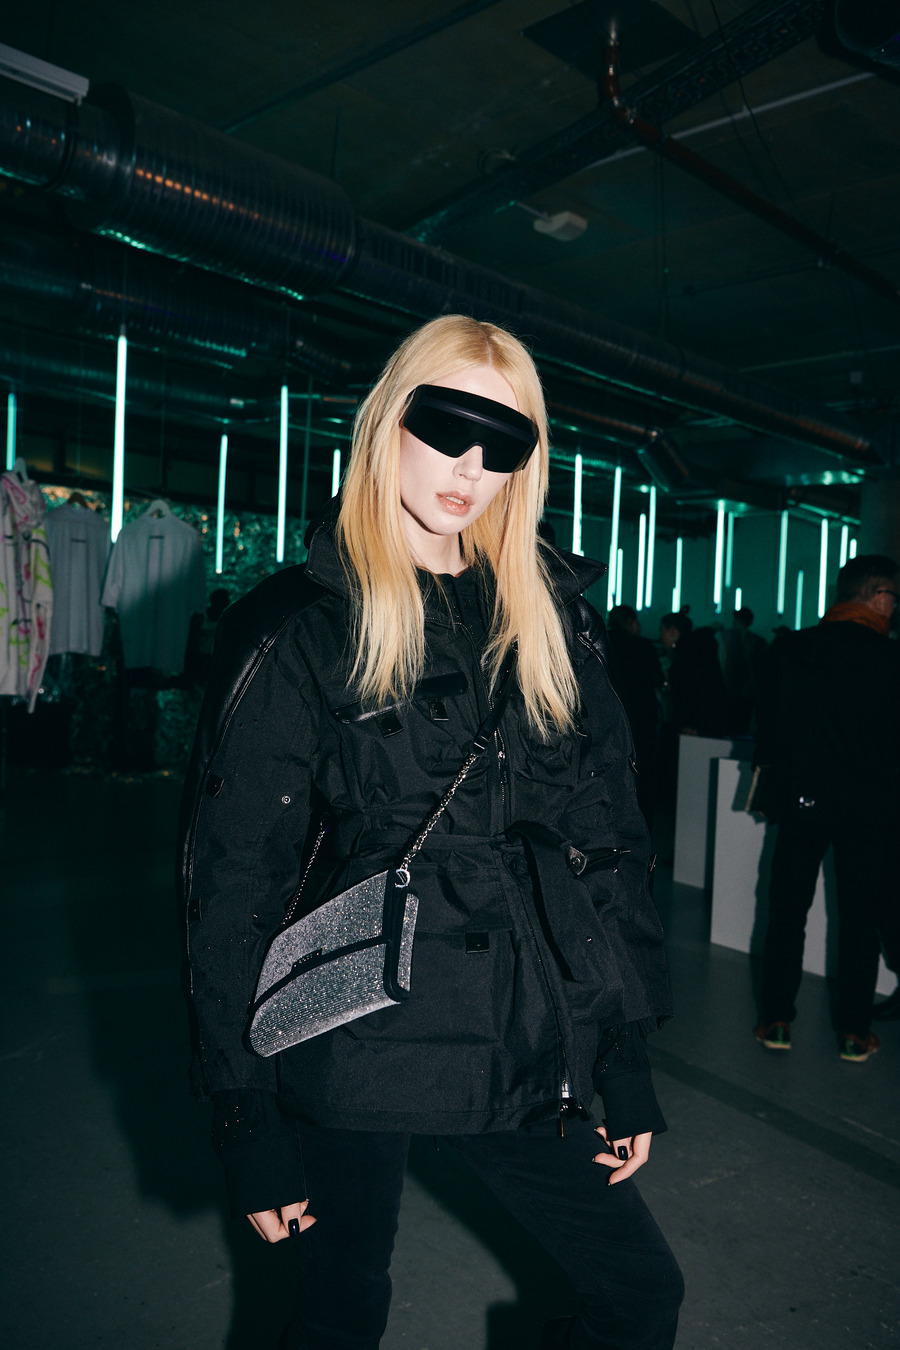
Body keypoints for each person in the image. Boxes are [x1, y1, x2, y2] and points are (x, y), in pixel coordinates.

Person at [179, 315, 683, 1350]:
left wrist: (621, 1052)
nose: (469, 467)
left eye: (503, 442)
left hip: (523, 1029)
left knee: (640, 1295)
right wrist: (246, 1114)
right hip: (349, 1032)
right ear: (388, 422)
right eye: (447, 427)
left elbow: (605, 845)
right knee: (339, 1313)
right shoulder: (302, 623)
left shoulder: (552, 621)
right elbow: (235, 879)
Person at [752, 554, 900, 1062]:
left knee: (786, 912)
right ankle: (854, 1033)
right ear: (877, 596)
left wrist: (771, 793)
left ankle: (776, 1020)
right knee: (859, 919)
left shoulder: (792, 647)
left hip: (802, 801)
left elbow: (769, 729)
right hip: (869, 809)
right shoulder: (889, 657)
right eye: (893, 598)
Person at [607, 604, 663, 827]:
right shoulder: (643, 646)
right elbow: (657, 678)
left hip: (613, 718)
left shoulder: (604, 642)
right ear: (630, 622)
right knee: (643, 776)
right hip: (642, 718)